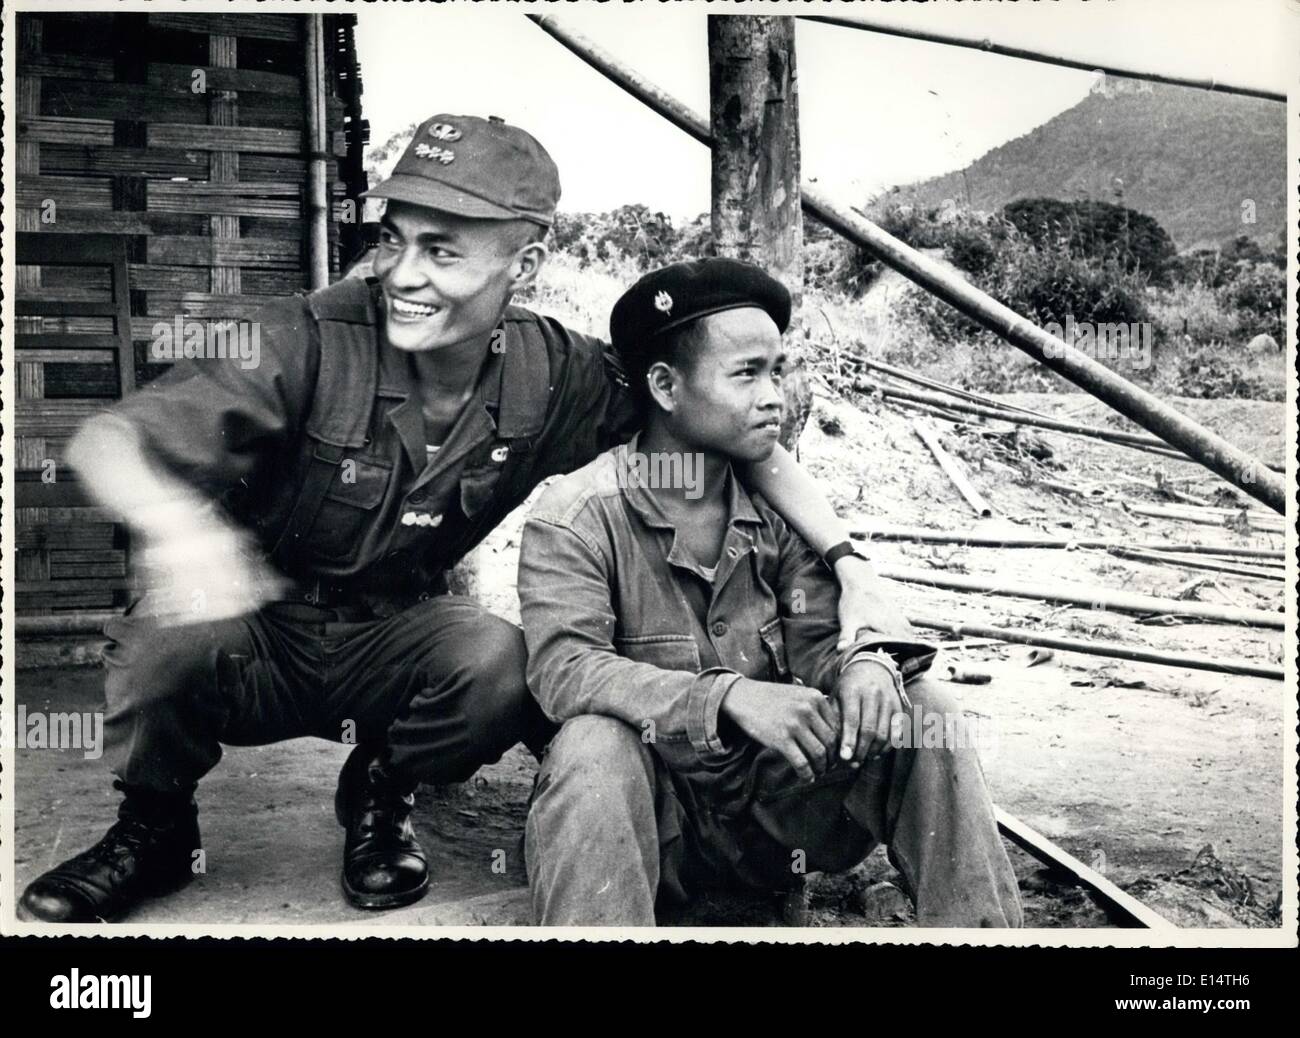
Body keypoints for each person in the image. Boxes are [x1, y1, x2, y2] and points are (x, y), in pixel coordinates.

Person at [20, 116, 896, 923]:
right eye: (393, 240)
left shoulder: (556, 374)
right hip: (254, 630)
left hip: (393, 639)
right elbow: (107, 443)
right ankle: (156, 828)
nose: (402, 274)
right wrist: (185, 533)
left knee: (503, 663)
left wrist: (849, 562)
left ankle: (382, 791)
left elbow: (732, 431)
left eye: (442, 251)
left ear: (526, 265)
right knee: (165, 633)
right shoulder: (297, 337)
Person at [518, 258, 1023, 926]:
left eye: (778, 370)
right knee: (590, 744)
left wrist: (865, 665)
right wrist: (728, 697)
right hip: (653, 826)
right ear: (666, 387)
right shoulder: (577, 514)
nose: (774, 396)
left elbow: (821, 638)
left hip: (778, 816)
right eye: (747, 374)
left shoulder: (779, 506)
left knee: (920, 707)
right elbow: (564, 669)